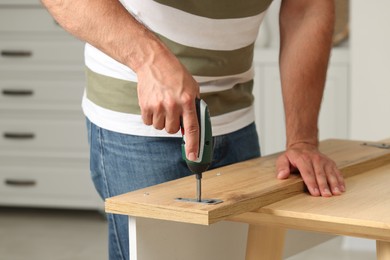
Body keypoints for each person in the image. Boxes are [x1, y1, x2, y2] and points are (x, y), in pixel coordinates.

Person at [41, 0, 346, 259]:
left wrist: (303, 140)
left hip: (236, 115)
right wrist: (148, 59)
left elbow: (307, 7)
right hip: (141, 123)